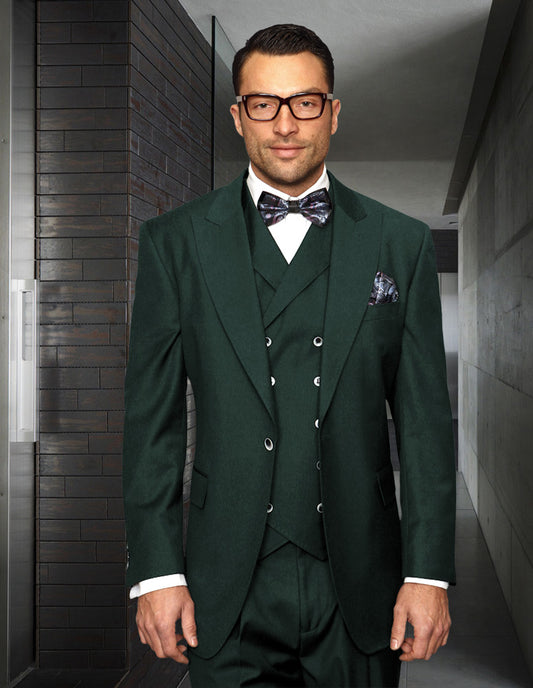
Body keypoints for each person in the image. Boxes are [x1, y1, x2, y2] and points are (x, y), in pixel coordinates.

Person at [123, 23, 456, 688]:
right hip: (223, 581)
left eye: (303, 102)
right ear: (237, 117)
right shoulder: (174, 244)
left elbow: (421, 424)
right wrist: (156, 572)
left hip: (359, 580)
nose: (284, 124)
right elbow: (153, 425)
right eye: (263, 104)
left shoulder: (400, 243)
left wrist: (426, 573)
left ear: (331, 113)